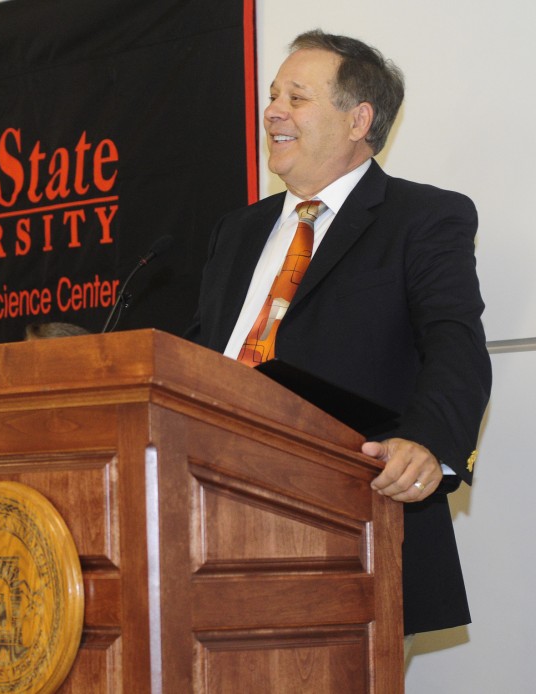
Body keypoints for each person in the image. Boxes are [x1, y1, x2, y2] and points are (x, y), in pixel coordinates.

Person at [185, 30, 492, 641]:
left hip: (348, 520)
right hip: (206, 516)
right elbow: (200, 356)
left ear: (359, 119)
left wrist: (427, 443)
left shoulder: (423, 218)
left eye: (297, 98)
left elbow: (453, 342)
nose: (272, 111)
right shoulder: (235, 230)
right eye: (273, 95)